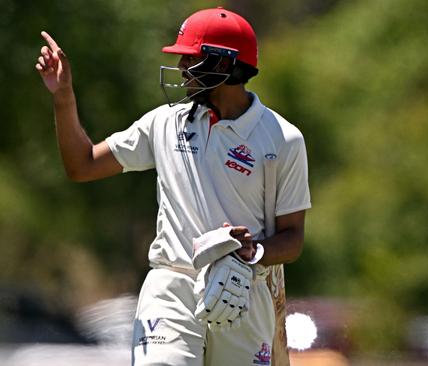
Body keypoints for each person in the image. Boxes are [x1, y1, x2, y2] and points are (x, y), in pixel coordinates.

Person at [36, 6, 310, 366]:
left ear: (224, 65)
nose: (182, 69)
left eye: (191, 60)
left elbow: (292, 239)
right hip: (171, 288)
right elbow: (82, 165)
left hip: (241, 289)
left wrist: (252, 251)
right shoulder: (164, 123)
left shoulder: (283, 139)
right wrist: (63, 97)